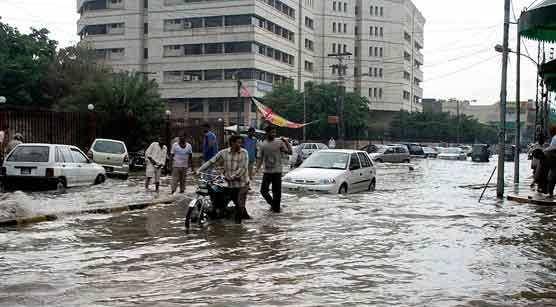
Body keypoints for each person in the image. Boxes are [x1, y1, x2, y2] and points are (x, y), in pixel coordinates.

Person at [197, 135, 250, 224]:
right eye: (238, 142)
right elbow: (211, 161)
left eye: (241, 143)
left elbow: (243, 168)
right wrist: (199, 170)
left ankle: (238, 227)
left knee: (240, 205)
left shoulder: (244, 152)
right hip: (229, 184)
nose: (240, 145)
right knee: (221, 204)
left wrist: (233, 176)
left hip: (242, 183)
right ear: (232, 143)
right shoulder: (223, 153)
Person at [256, 126, 292, 213]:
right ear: (267, 133)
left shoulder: (279, 142)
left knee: (277, 193)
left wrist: (286, 142)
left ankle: (276, 210)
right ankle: (274, 205)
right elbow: (260, 158)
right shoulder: (262, 144)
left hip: (277, 171)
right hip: (267, 171)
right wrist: (256, 169)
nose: (274, 134)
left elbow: (290, 152)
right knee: (263, 191)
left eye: (275, 133)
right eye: (272, 132)